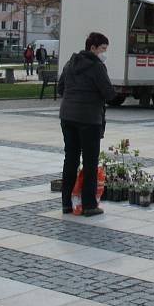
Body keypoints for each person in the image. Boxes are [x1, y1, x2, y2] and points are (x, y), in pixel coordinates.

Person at [58, 32, 116, 218]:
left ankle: (67, 203)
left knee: (71, 158)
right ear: (93, 48)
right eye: (103, 49)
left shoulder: (70, 63)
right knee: (90, 161)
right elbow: (109, 93)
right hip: (88, 119)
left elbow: (60, 88)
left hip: (67, 117)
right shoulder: (97, 66)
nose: (104, 53)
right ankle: (89, 205)